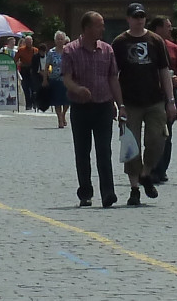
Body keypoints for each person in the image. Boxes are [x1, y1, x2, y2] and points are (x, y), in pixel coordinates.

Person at [111, 2, 173, 205]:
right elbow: (114, 75)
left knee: (157, 140)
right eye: (135, 16)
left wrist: (170, 100)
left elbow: (164, 71)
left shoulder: (155, 40)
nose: (139, 19)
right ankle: (134, 188)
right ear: (128, 18)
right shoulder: (120, 42)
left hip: (154, 100)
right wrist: (118, 103)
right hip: (130, 102)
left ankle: (146, 173)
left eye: (142, 16)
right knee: (131, 145)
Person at [61, 11, 120, 208]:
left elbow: (113, 78)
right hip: (81, 107)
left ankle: (108, 193)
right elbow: (66, 77)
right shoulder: (70, 50)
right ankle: (85, 192)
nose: (103, 29)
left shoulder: (107, 50)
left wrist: (120, 104)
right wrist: (77, 89)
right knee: (82, 151)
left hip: (104, 105)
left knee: (104, 151)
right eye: (99, 25)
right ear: (86, 28)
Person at [148, 14, 177, 186]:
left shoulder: (174, 48)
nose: (171, 29)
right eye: (167, 26)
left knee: (166, 133)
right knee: (154, 134)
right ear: (158, 28)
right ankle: (151, 167)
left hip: (169, 95)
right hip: (151, 94)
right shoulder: (147, 45)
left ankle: (161, 169)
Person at [41, 31, 69, 130]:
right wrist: (45, 79)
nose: (60, 41)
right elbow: (47, 66)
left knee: (67, 100)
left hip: (66, 79)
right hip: (55, 79)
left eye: (61, 39)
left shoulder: (68, 51)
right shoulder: (51, 52)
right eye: (58, 39)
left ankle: (63, 114)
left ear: (64, 40)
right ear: (55, 40)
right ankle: (60, 119)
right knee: (57, 100)